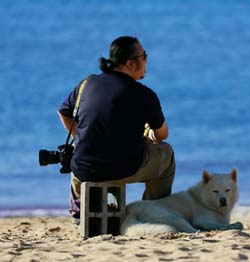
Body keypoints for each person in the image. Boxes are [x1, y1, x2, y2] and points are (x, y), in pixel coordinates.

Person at [57, 36, 175, 223]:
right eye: (144, 56)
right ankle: (153, 213)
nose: (146, 61)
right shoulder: (143, 94)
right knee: (166, 154)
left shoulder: (87, 84)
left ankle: (78, 215)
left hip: (86, 170)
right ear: (131, 63)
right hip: (124, 168)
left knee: (78, 155)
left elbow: (63, 112)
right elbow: (162, 135)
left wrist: (79, 137)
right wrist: (147, 133)